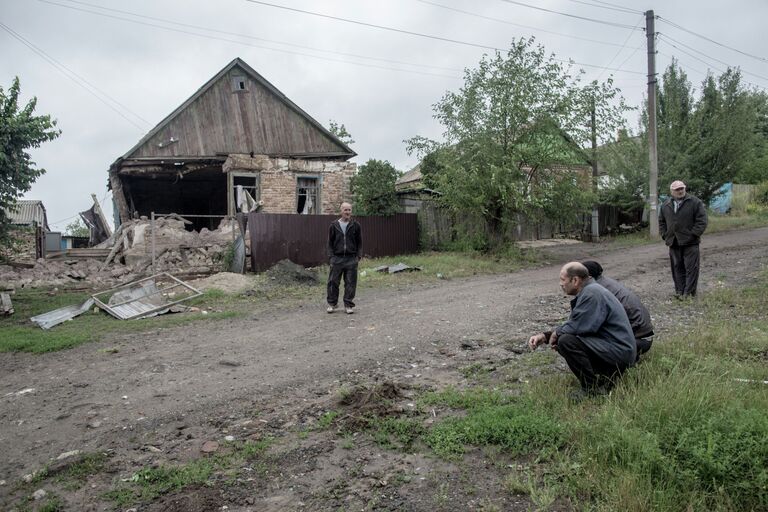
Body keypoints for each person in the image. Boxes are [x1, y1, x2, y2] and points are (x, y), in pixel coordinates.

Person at [528, 262, 636, 399]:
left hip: (620, 352)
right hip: (617, 348)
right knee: (565, 338)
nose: (560, 284)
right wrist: (545, 336)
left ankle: (591, 389)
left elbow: (578, 327)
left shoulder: (592, 293)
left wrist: (555, 334)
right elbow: (576, 324)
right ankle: (605, 378)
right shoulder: (591, 290)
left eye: (562, 280)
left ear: (575, 280)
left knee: (566, 341)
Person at [581, 260, 654, 360]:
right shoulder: (605, 282)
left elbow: (590, 323)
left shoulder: (597, 290)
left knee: (584, 340)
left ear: (588, 276)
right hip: (644, 337)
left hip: (638, 340)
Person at [658, 180, 708, 298]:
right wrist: (665, 235)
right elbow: (661, 222)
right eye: (677, 189)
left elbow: (702, 220)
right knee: (677, 268)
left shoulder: (695, 202)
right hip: (673, 242)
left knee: (691, 269)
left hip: (691, 242)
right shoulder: (665, 205)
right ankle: (679, 292)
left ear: (685, 189)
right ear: (672, 192)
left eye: (682, 188)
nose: (680, 191)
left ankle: (689, 294)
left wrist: (694, 234)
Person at [326, 202, 362, 314]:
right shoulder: (333, 225)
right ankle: (332, 304)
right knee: (333, 282)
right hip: (337, 258)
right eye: (345, 210)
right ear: (341, 211)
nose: (347, 212)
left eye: (349, 210)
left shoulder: (356, 225)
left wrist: (358, 256)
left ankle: (348, 305)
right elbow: (329, 242)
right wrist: (331, 257)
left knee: (350, 283)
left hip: (351, 259)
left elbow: (359, 242)